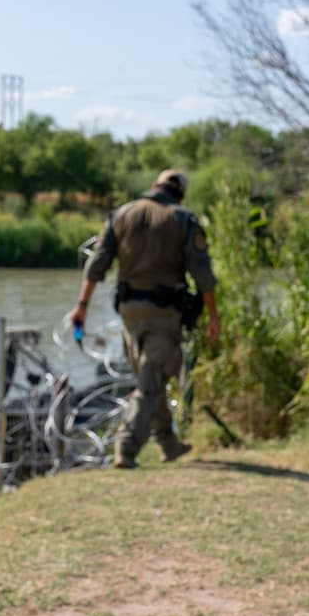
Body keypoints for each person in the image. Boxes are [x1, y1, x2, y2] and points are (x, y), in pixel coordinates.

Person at [69, 169, 220, 469]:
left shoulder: (121, 214)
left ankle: (168, 444)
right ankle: (126, 447)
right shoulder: (184, 220)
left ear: (155, 187)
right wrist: (213, 317)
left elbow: (97, 264)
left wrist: (82, 306)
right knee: (151, 381)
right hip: (164, 313)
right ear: (180, 193)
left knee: (150, 378)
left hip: (128, 313)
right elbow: (203, 276)